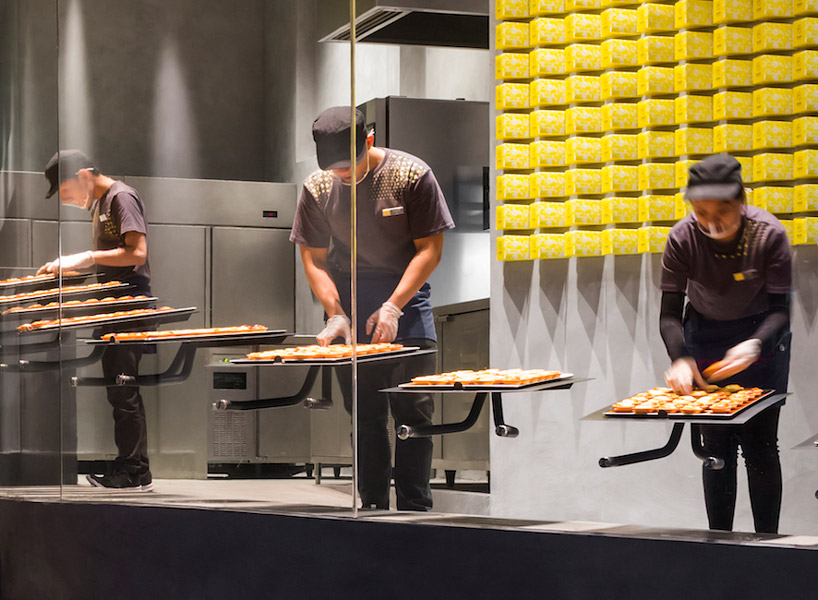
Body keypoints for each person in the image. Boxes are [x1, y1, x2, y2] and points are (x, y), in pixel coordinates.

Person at [290, 107, 454, 510]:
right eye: (335, 169)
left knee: (414, 411)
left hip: (407, 301)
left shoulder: (411, 175)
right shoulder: (318, 187)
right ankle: (373, 506)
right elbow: (314, 259)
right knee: (364, 414)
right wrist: (335, 312)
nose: (343, 174)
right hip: (348, 301)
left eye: (349, 165)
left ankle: (415, 507)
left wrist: (393, 307)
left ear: (369, 140)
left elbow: (430, 250)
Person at [660, 153, 791, 533]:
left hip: (762, 331)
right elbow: (669, 313)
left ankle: (768, 544)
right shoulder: (682, 237)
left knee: (760, 444)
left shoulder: (769, 234)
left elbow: (781, 310)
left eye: (723, 212)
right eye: (701, 213)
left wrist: (756, 344)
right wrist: (680, 357)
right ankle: (719, 544)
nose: (712, 223)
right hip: (705, 333)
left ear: (741, 200)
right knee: (715, 447)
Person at [40, 150, 153, 491]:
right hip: (112, 306)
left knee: (123, 388)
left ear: (83, 176)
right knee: (119, 390)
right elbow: (110, 260)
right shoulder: (100, 204)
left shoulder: (121, 197)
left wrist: (84, 257)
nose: (67, 200)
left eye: (66, 191)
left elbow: (137, 252)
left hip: (128, 308)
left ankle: (134, 471)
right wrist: (69, 269)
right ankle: (132, 466)